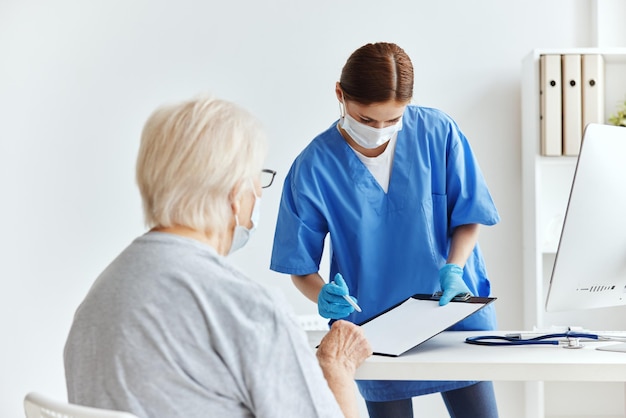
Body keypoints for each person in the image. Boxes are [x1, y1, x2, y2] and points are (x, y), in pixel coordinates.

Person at [64, 95, 372, 418]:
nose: (260, 193)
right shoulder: (247, 310)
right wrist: (336, 365)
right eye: (257, 178)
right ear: (235, 194)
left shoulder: (95, 304)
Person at [270, 42, 501, 417]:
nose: (380, 130)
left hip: (453, 312)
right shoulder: (313, 166)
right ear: (340, 95)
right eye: (366, 119)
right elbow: (299, 265)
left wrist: (455, 267)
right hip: (374, 330)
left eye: (393, 120)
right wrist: (324, 296)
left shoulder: (437, 131)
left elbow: (469, 212)